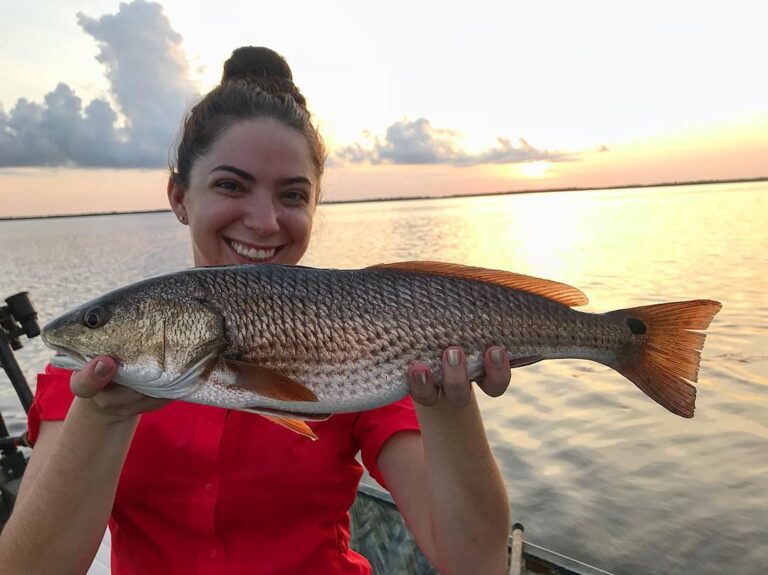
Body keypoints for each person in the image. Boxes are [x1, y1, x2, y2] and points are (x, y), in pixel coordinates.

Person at [0, 47, 511, 575]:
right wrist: (102, 415)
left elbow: (475, 563)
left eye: (292, 195)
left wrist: (449, 403)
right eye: (230, 185)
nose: (265, 221)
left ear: (314, 207)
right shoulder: (89, 370)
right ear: (179, 196)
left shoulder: (364, 345)